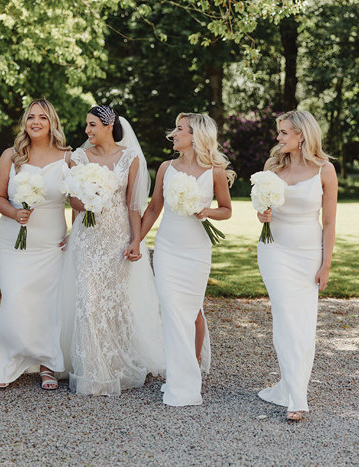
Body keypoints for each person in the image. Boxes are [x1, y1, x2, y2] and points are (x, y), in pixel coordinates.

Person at [61, 105, 164, 396]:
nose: (87, 131)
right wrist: (88, 201)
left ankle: (115, 365)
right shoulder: (78, 157)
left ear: (109, 126)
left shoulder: (130, 157)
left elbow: (134, 205)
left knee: (113, 301)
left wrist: (136, 240)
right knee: (87, 300)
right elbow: (74, 202)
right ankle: (92, 371)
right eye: (86, 125)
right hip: (87, 238)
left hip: (117, 237)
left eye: (92, 125)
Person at [141, 113, 234, 406]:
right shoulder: (166, 168)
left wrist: (205, 211)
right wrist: (137, 240)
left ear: (195, 136)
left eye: (179, 129)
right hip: (168, 246)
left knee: (192, 310)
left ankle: (190, 364)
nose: (173, 134)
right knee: (171, 309)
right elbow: (155, 206)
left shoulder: (214, 171)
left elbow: (227, 209)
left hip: (196, 249)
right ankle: (180, 375)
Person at [256, 109, 337, 421]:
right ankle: (297, 400)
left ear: (302, 135)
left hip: (308, 252)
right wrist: (262, 215)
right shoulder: (272, 167)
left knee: (303, 324)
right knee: (286, 316)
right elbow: (261, 209)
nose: (279, 138)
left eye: (284, 132)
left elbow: (329, 223)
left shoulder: (325, 170)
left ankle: (290, 386)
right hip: (274, 249)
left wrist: (325, 264)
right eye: (279, 132)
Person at [0, 99, 71, 390]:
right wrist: (14, 213)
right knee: (15, 298)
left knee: (48, 304)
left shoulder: (68, 157)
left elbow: (78, 200)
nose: (35, 122)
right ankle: (7, 361)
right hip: (13, 239)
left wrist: (76, 232)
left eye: (42, 118)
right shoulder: (12, 156)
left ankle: (48, 364)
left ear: (52, 123)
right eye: (31, 117)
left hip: (51, 240)